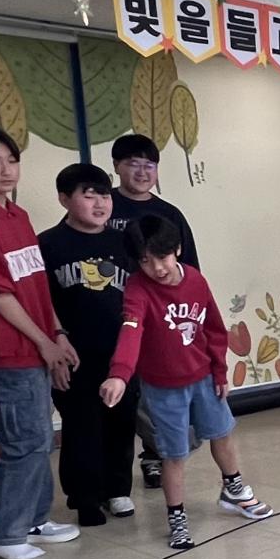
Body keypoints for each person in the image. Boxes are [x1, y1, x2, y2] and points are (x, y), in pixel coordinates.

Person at [99, 216, 272, 550]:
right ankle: (177, 517)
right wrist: (119, 374)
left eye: (162, 257)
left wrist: (219, 372)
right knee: (174, 454)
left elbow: (215, 330)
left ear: (177, 249)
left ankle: (233, 488)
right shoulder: (138, 288)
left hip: (204, 378)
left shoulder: (195, 280)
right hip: (163, 389)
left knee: (222, 433)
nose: (156, 268)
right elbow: (131, 329)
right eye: (145, 261)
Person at [0, 124, 81, 559]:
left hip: (38, 341)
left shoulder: (17, 215)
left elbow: (36, 285)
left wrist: (58, 333)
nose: (6, 170)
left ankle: (34, 518)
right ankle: (5, 532)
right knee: (24, 441)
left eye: (12, 160)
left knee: (40, 436)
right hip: (8, 347)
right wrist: (43, 341)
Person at [40, 162, 138, 527]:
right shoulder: (48, 244)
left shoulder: (123, 241)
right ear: (64, 199)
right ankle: (84, 497)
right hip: (73, 353)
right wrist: (55, 344)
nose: (100, 204)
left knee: (121, 420)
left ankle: (118, 489)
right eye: (89, 195)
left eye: (105, 195)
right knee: (81, 425)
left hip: (120, 352)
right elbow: (40, 301)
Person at [108, 133, 200, 489]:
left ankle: (155, 456)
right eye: (133, 164)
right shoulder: (103, 206)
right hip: (111, 316)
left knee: (157, 394)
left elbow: (190, 271)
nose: (142, 171)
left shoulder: (169, 214)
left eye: (149, 165)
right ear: (117, 167)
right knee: (121, 395)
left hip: (162, 322)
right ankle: (115, 482)